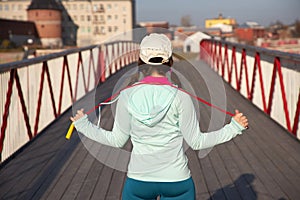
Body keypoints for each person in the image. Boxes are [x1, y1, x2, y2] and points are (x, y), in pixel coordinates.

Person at [70, 33, 248, 200]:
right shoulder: (182, 97)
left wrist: (83, 125)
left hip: (138, 181)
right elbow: (197, 142)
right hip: (177, 180)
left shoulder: (126, 96)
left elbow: (117, 140)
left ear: (140, 62)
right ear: (170, 62)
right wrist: (234, 128)